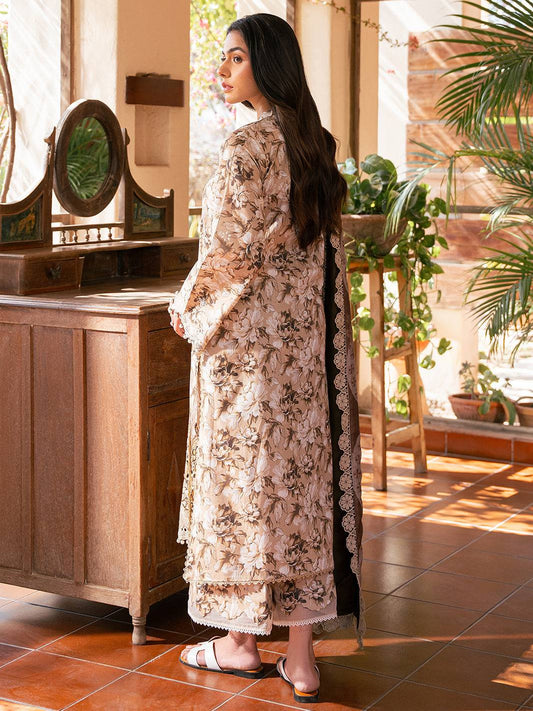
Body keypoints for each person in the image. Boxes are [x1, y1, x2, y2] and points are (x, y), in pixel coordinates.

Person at [168, 13, 363, 703]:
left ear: (268, 65)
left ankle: (240, 643)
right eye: (222, 58)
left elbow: (227, 256)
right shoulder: (315, 146)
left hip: (247, 358)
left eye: (236, 58)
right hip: (305, 359)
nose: (222, 70)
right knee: (300, 493)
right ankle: (301, 661)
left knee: (246, 493)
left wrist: (185, 307)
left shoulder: (244, 148)